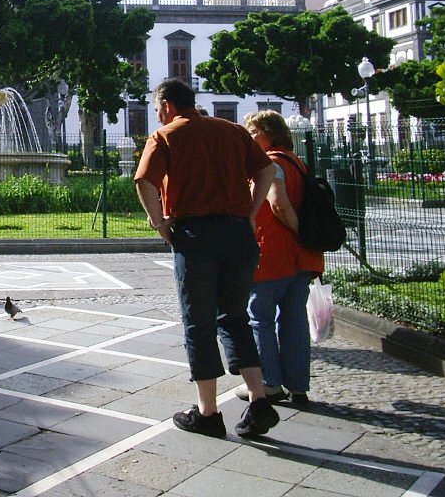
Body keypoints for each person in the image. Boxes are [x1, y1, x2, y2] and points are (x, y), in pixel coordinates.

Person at [134, 79, 280, 439]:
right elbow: (266, 170)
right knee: (234, 317)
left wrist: (159, 224)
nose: (157, 116)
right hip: (238, 235)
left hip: (196, 236)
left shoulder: (166, 135)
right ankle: (259, 400)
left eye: (156, 110)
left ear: (166, 105)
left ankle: (208, 413)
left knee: (198, 323)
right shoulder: (231, 131)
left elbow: (143, 181)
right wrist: (250, 212)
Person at [241, 110, 324, 406]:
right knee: (294, 322)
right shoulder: (295, 160)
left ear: (267, 132)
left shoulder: (272, 162)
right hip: (300, 259)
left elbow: (279, 205)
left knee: (260, 319)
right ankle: (298, 386)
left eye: (252, 132)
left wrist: (299, 232)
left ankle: (270, 384)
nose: (249, 138)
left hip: (275, 253)